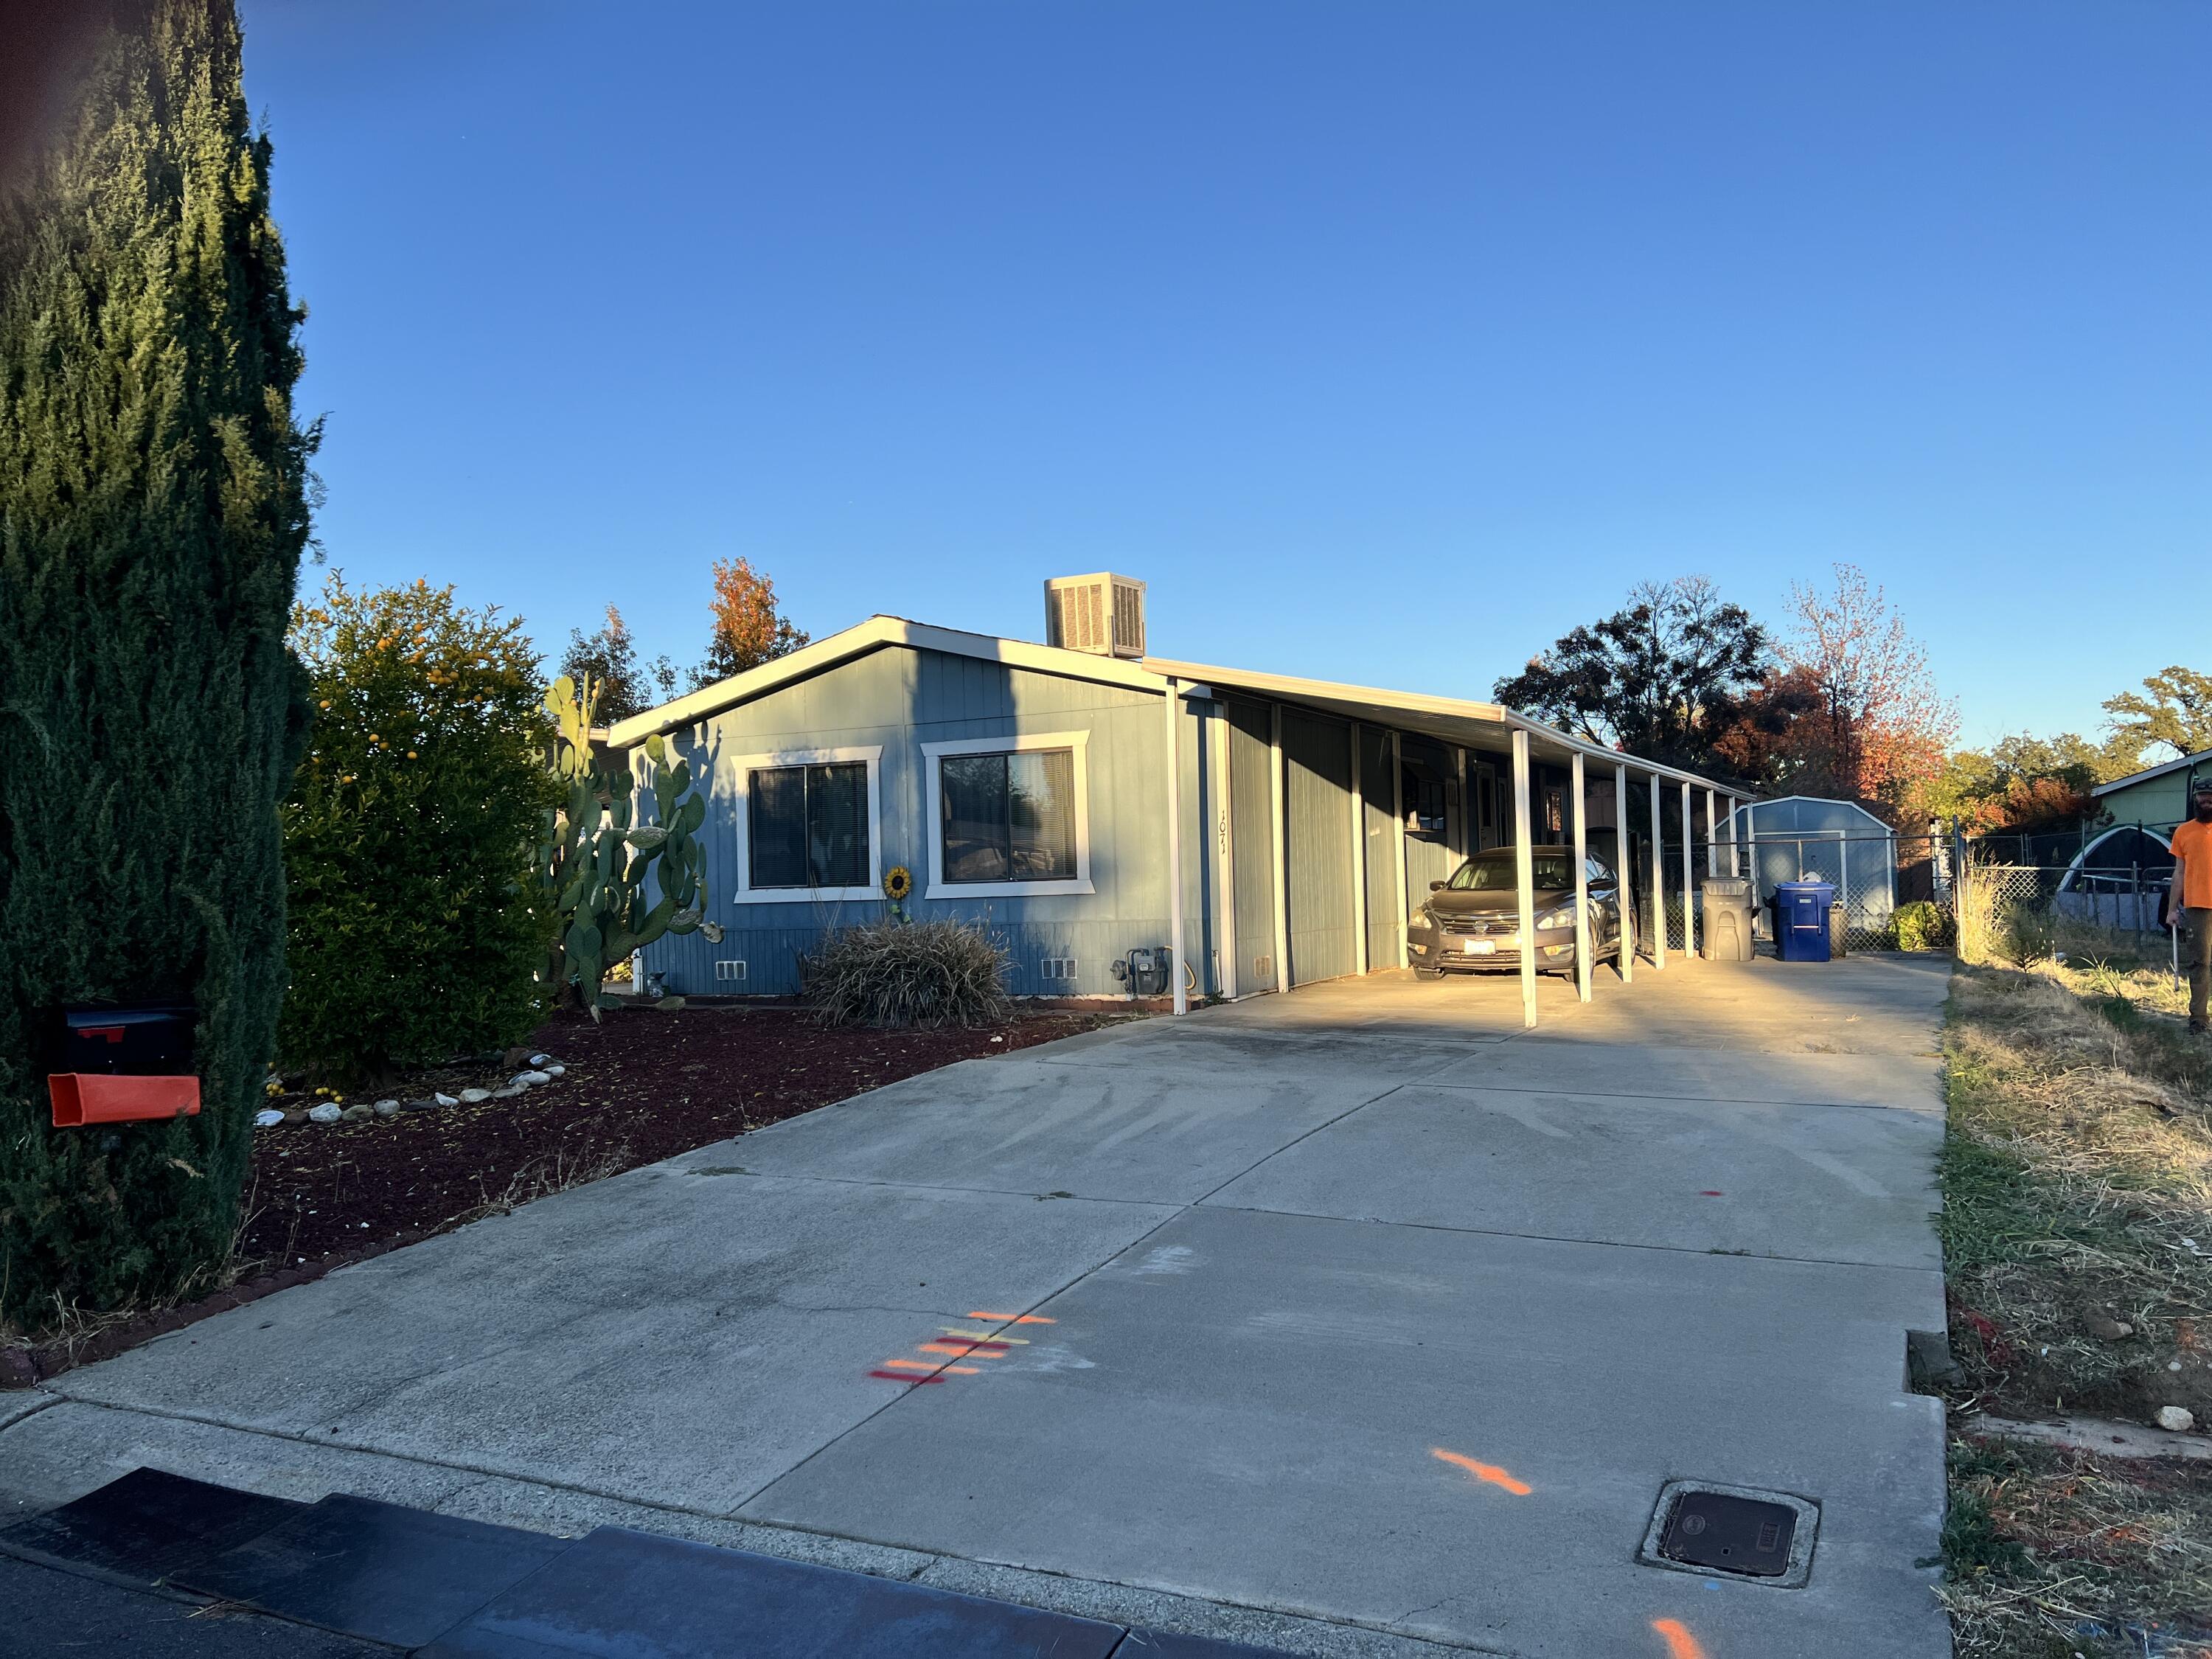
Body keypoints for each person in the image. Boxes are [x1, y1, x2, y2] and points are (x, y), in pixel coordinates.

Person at [2170, 780, 2212, 1034]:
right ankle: (2199, 1019)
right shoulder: (2183, 832)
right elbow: (2179, 873)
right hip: (2197, 906)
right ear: (2195, 800)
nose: (2206, 801)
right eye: (2202, 797)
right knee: (2200, 963)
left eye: (2211, 797)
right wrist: (2172, 909)